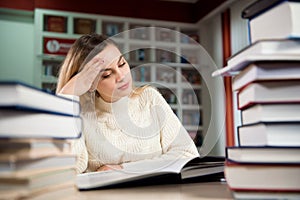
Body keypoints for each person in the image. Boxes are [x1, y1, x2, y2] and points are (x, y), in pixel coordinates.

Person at [56, 33, 199, 174]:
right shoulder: (80, 114)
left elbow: (187, 154)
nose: (121, 76)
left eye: (122, 64)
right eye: (107, 75)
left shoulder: (149, 98)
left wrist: (125, 169)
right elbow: (69, 170)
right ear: (90, 84)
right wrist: (68, 95)